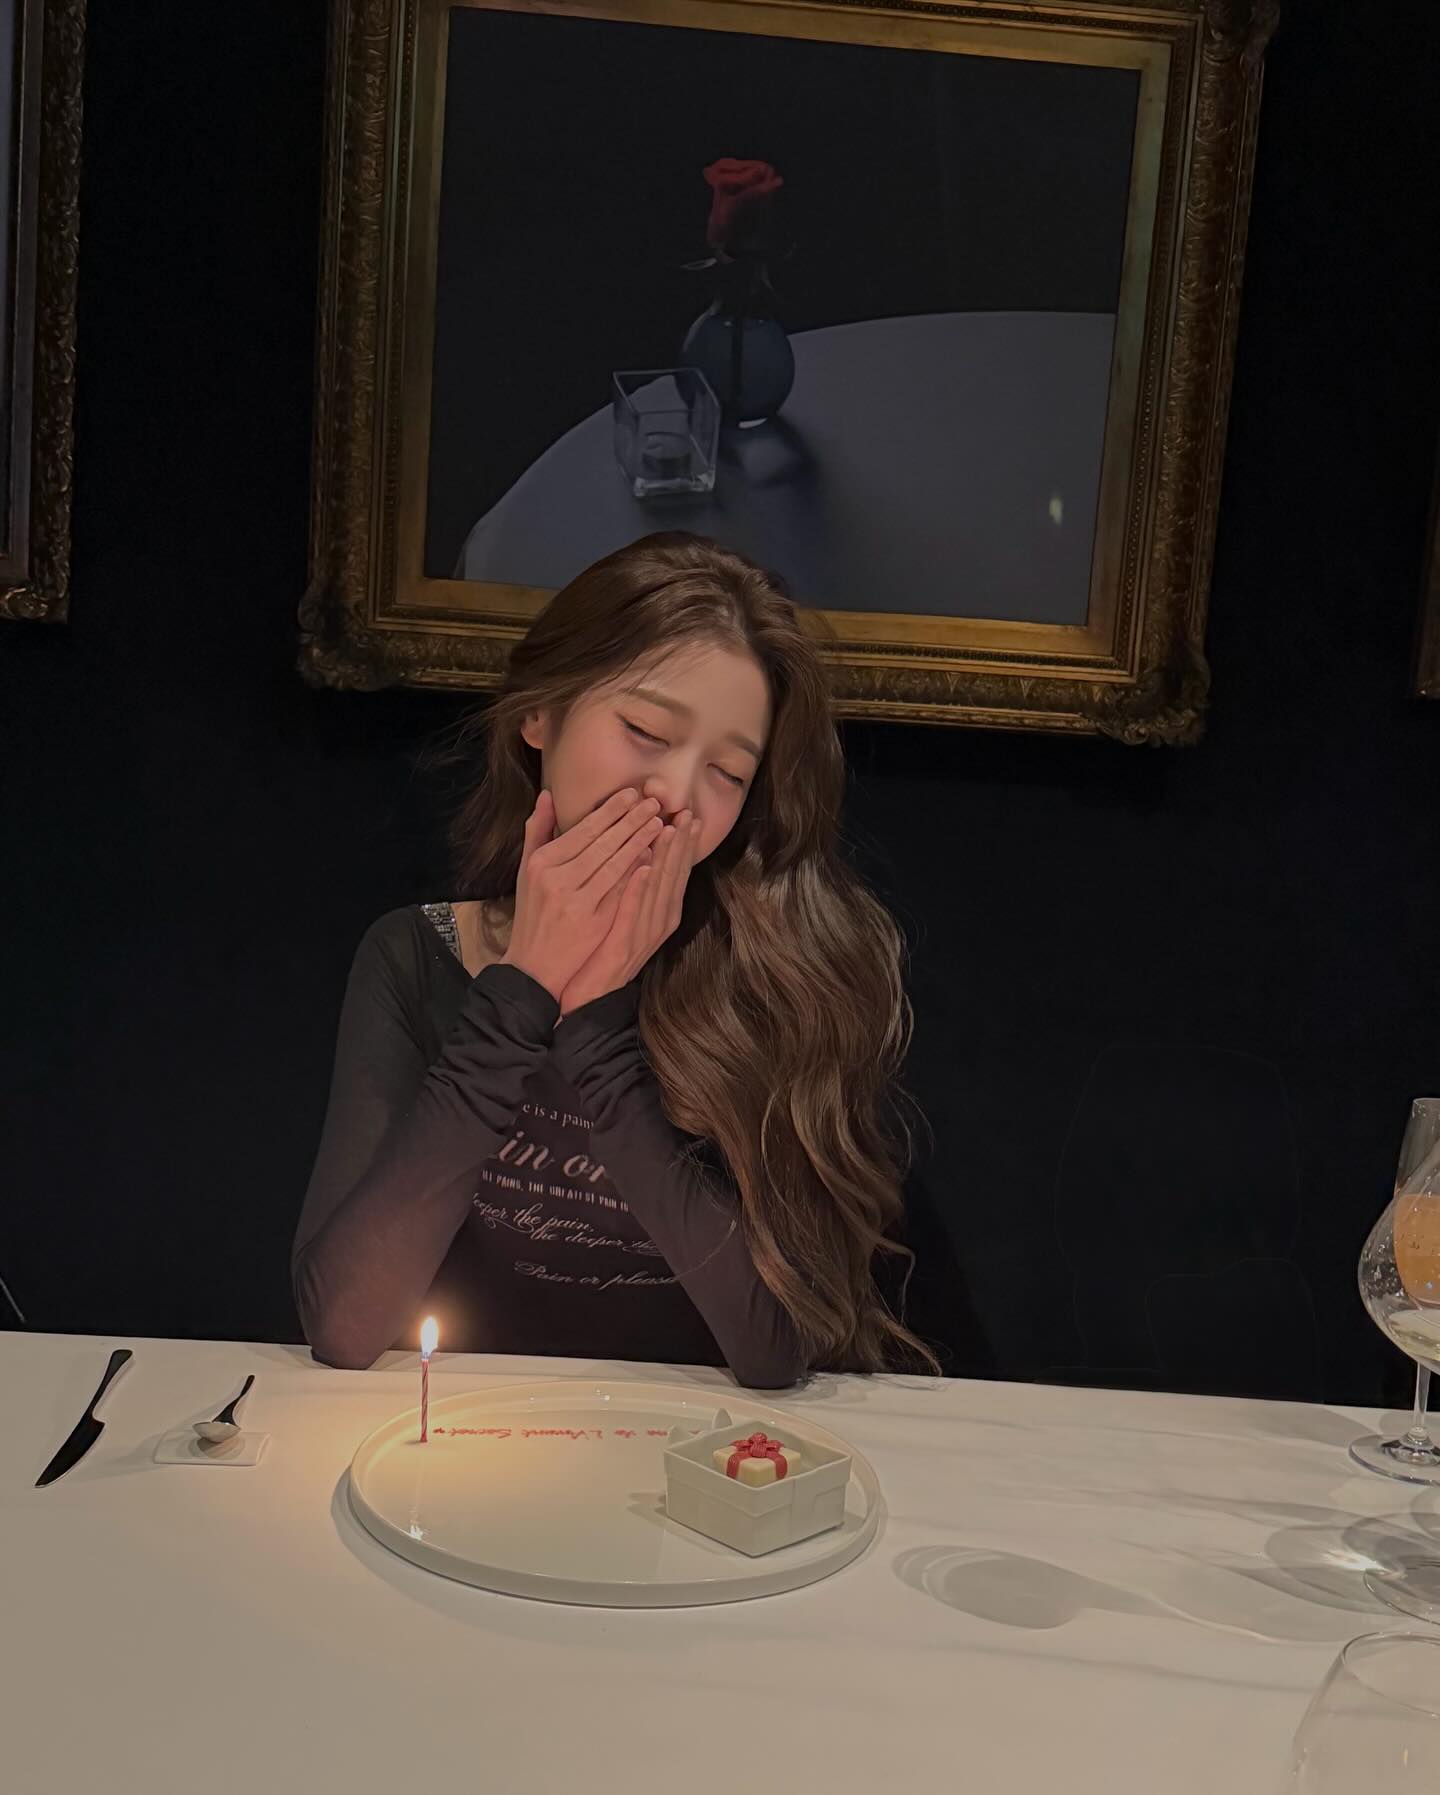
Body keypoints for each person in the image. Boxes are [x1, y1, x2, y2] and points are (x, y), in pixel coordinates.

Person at [291, 531, 939, 1387]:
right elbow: (344, 1323)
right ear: (539, 715)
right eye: (644, 730)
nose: (675, 796)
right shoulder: (415, 957)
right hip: (476, 1435)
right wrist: (522, 991)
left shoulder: (782, 973)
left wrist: (599, 1034)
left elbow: (779, 1348)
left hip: (701, 1443)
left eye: (727, 773)